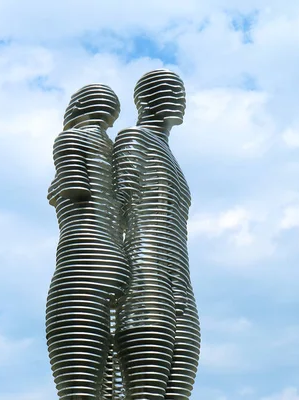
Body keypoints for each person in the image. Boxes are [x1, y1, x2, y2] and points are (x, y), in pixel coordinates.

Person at [113, 69, 201, 399]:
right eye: (168, 90)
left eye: (181, 93)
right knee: (145, 384)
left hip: (180, 274)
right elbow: (116, 205)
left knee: (180, 380)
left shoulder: (174, 161)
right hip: (145, 265)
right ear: (145, 99)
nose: (179, 100)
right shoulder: (133, 138)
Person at [46, 84, 130, 399]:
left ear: (77, 106)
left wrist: (54, 191)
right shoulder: (114, 152)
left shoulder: (71, 138)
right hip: (117, 259)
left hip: (82, 257)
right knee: (111, 374)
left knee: (79, 381)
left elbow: (76, 189)